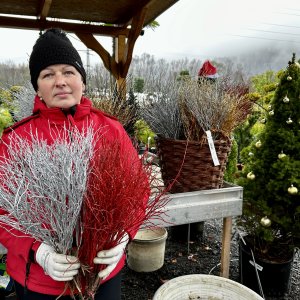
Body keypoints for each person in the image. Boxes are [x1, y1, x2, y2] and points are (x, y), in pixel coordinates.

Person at [0, 28, 148, 300]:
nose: (60, 81)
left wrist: (125, 234)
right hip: (40, 281)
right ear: (37, 88)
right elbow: (3, 211)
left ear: (83, 81)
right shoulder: (17, 140)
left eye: (68, 71)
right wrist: (37, 250)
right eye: (47, 74)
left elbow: (138, 190)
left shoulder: (110, 130)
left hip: (102, 274)